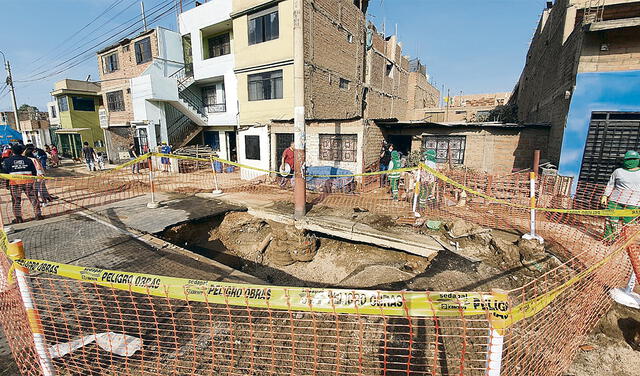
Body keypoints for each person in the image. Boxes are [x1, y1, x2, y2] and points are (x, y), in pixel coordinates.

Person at [601, 150, 640, 240]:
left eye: (634, 159)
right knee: (611, 220)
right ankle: (609, 239)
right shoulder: (618, 172)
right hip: (615, 201)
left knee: (629, 224)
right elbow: (610, 184)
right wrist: (605, 195)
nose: (631, 161)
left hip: (633, 203)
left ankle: (626, 241)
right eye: (628, 159)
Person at [2, 144, 43, 222]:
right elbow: (34, 172)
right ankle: (38, 215)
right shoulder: (28, 160)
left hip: (15, 183)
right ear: (21, 151)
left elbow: (5, 174)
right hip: (28, 182)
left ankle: (18, 218)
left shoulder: (7, 161)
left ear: (12, 152)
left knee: (16, 201)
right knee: (33, 198)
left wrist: (6, 184)